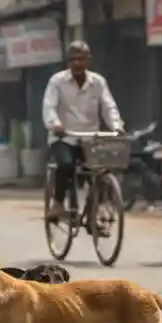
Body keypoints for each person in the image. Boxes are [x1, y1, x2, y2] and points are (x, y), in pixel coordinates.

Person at [42, 41, 124, 221]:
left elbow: (108, 106)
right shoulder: (57, 81)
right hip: (65, 137)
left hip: (90, 138)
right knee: (65, 165)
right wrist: (55, 124)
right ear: (67, 62)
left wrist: (117, 127)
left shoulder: (98, 82)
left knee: (101, 171)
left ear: (89, 60)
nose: (77, 63)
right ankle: (57, 203)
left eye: (81, 59)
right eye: (73, 59)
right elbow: (49, 106)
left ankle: (97, 210)